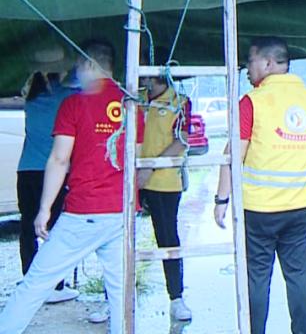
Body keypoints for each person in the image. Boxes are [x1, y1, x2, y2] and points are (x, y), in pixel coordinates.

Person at [0, 39, 139, 334]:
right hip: (121, 212)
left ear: (90, 65)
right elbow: (136, 159)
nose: (75, 73)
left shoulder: (73, 103)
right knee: (120, 292)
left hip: (84, 211)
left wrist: (44, 210)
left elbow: (60, 159)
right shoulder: (130, 103)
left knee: (35, 283)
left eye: (78, 66)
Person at [213, 37, 306, 334]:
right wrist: (305, 194)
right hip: (301, 209)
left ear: (267, 63)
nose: (247, 70)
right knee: (300, 277)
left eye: (250, 62)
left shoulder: (253, 102)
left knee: (256, 279)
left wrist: (221, 200)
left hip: (259, 211)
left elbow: (232, 156)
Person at [15, 46, 80, 306]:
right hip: (53, 171)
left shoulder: (31, 97)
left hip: (26, 169)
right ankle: (55, 284)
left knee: (27, 226)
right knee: (54, 228)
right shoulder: (66, 96)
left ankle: (30, 279)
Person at [137, 73, 194, 321]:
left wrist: (150, 167)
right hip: (130, 178)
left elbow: (182, 140)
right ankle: (114, 298)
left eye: (145, 72)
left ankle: (176, 297)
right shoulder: (134, 98)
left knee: (167, 237)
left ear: (156, 75)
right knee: (117, 237)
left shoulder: (180, 101)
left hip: (164, 180)